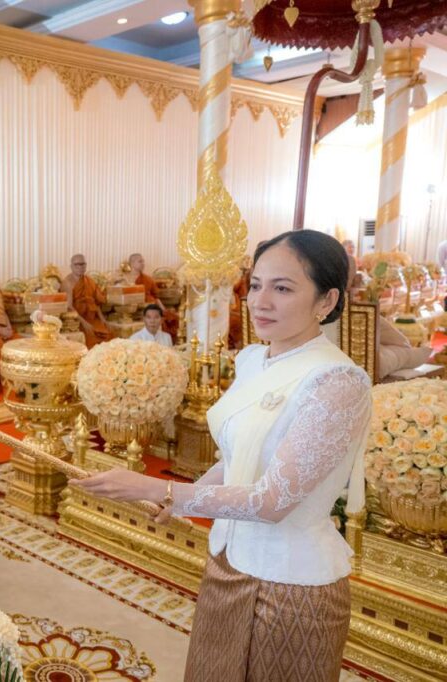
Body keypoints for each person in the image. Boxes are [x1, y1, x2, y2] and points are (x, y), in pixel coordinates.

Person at [73, 230, 370, 682]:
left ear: (326, 301)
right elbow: (237, 457)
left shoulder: (337, 382)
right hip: (226, 562)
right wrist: (180, 500)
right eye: (256, 285)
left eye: (283, 288)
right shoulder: (252, 360)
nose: (260, 301)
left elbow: (273, 501)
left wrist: (160, 487)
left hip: (291, 583)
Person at [63, 254, 111, 348]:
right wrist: (84, 323)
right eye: (77, 264)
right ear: (71, 266)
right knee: (91, 338)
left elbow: (95, 303)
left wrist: (103, 319)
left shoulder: (89, 281)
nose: (80, 267)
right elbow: (69, 307)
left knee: (108, 334)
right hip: (77, 320)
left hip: (91, 318)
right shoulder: (67, 283)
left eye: (83, 264)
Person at [128, 253, 177, 341]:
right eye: (140, 261)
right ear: (132, 263)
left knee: (171, 318)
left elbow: (156, 296)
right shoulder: (126, 278)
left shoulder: (148, 279)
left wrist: (163, 309)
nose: (143, 264)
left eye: (143, 261)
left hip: (150, 306)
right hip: (133, 307)